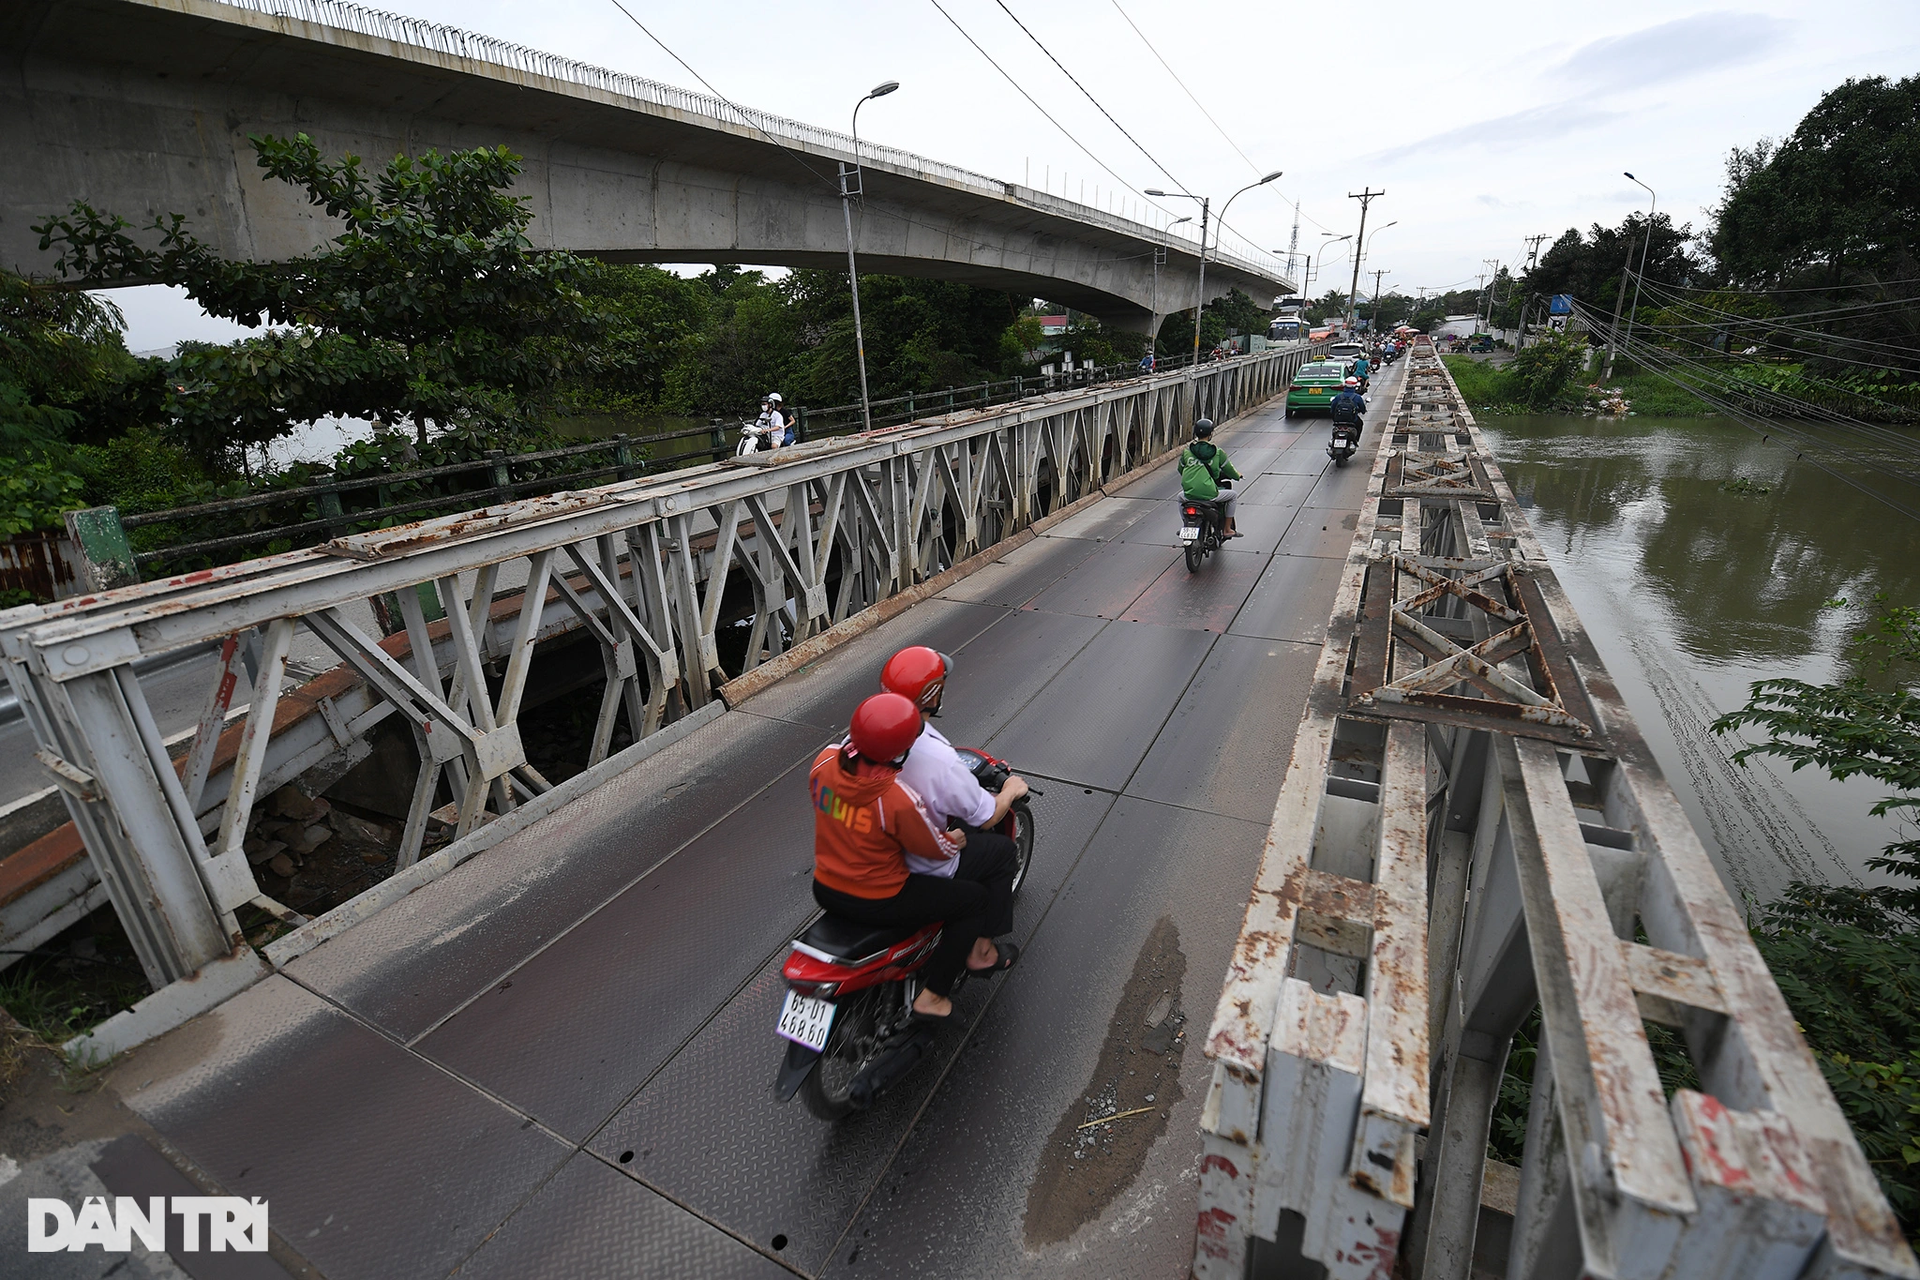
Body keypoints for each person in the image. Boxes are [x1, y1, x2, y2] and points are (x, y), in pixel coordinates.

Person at [809, 692, 1021, 1022]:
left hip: (825, 887)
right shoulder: (895, 800)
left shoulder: (823, 762)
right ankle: (935, 996)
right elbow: (932, 849)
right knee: (974, 900)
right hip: (880, 898)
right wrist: (954, 839)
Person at [881, 646, 1031, 874]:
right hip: (921, 865)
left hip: (875, 846)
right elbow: (988, 818)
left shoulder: (854, 739)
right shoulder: (939, 759)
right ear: (932, 696)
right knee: (1002, 852)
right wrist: (1010, 790)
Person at [1179, 418, 1242, 540]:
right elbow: (1229, 470)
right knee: (1232, 495)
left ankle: (1186, 525)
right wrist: (1237, 476)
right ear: (1210, 434)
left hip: (1190, 494)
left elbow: (1181, 469)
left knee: (1179, 497)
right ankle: (1227, 529)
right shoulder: (1217, 452)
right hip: (1209, 494)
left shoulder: (1187, 452)